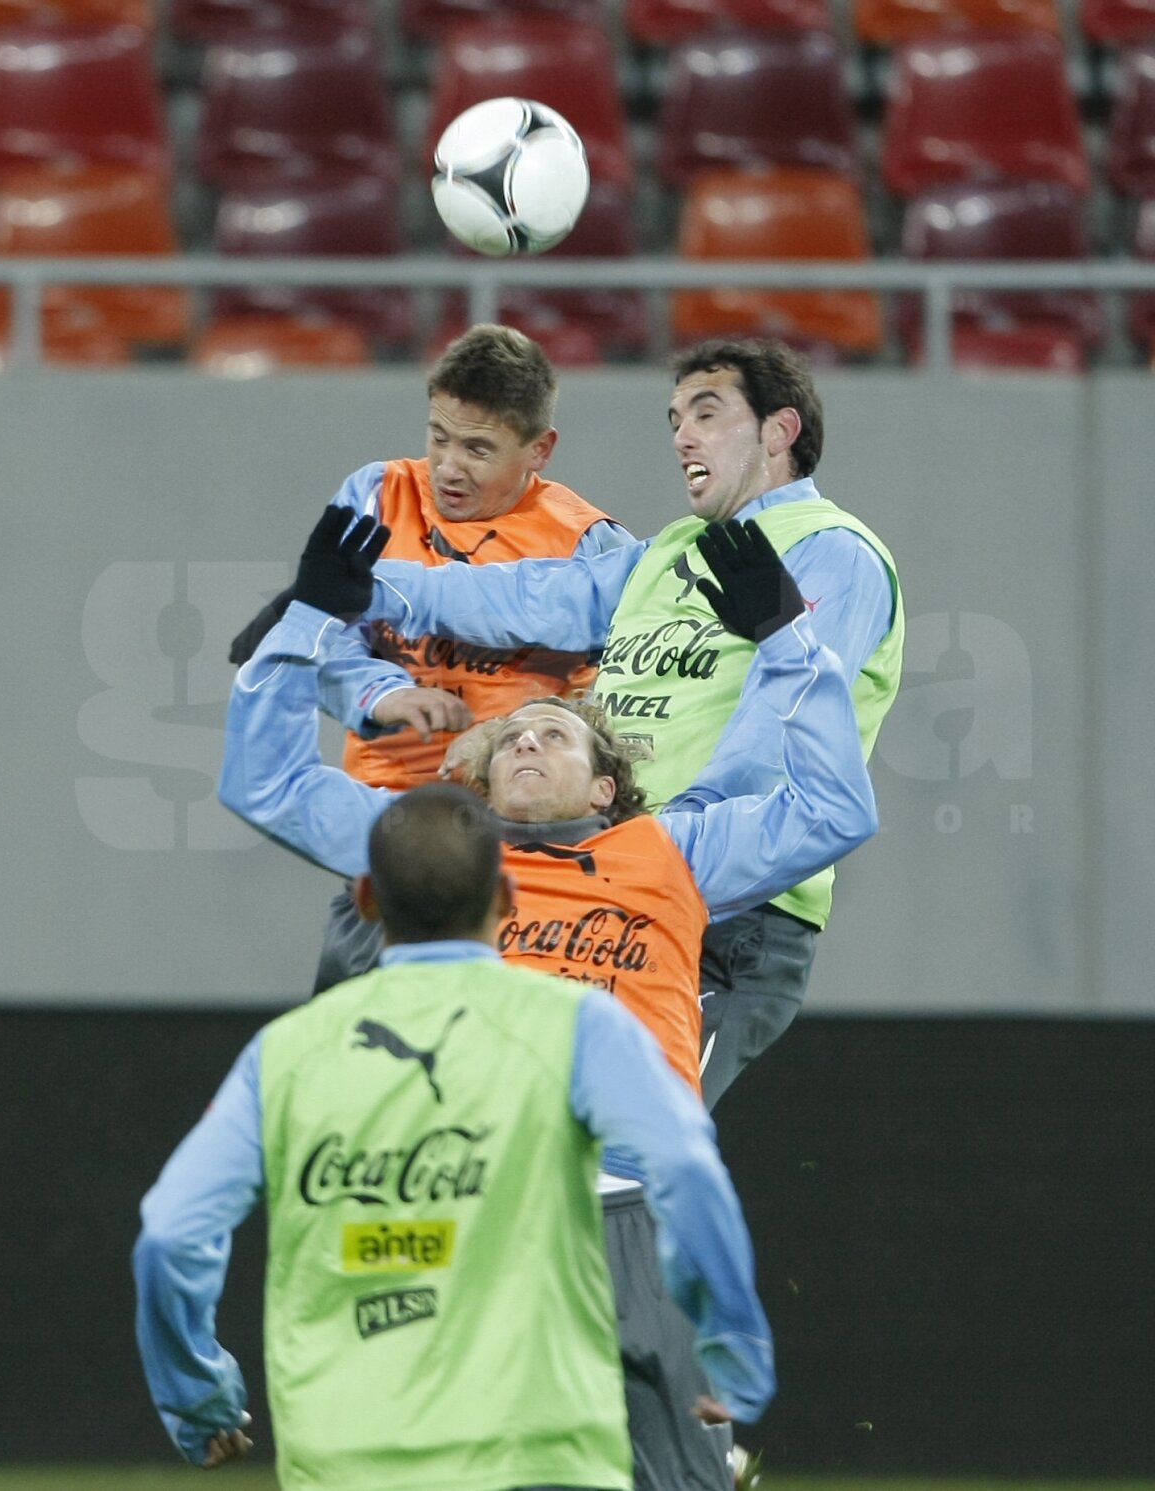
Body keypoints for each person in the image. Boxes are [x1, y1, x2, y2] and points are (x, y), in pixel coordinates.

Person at [216, 508, 876, 1491]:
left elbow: (835, 809)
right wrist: (310, 620)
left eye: (554, 734)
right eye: (509, 738)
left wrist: (787, 637)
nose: (525, 743)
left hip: (628, 1204)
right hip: (471, 1204)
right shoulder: (433, 857)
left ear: (609, 785)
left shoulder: (674, 852)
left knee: (675, 1478)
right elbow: (261, 783)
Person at [134, 782, 776, 1490]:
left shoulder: (285, 1054)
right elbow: (685, 1168)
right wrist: (731, 1335)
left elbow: (171, 1232)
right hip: (548, 1448)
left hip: (350, 1455)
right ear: (507, 894)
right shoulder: (581, 1025)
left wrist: (197, 1394)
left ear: (368, 899)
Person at [339, 337, 906, 1108]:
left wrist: (660, 855)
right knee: (512, 1128)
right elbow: (518, 598)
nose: (682, 435)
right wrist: (362, 583)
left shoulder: (836, 554)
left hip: (724, 908)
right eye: (675, 417)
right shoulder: (670, 549)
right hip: (612, 880)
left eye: (707, 413)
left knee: (625, 1144)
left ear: (780, 430)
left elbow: (779, 743)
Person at [228, 322, 632, 993]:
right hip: (386, 843)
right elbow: (317, 624)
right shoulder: (376, 494)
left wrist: (503, 734)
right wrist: (376, 692)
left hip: (521, 863)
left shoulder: (590, 545)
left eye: (478, 447)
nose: (448, 465)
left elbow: (616, 701)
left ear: (540, 450)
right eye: (438, 436)